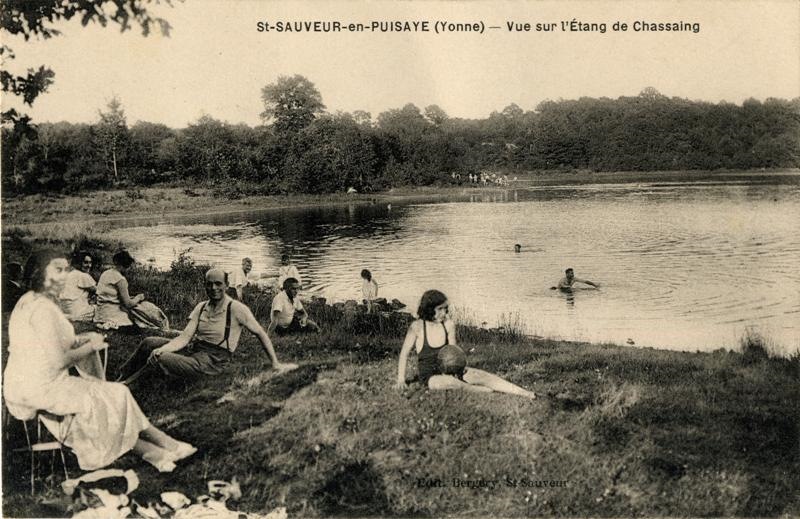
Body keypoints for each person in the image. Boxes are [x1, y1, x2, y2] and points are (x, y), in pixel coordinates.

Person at [3, 250, 194, 473]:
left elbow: (46, 346)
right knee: (113, 396)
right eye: (57, 270)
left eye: (66, 270)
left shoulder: (30, 301)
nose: (64, 276)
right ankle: (164, 445)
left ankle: (156, 452)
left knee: (111, 396)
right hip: (38, 387)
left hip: (27, 382)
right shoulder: (41, 309)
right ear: (38, 273)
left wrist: (81, 339)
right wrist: (90, 346)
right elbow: (57, 361)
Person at [118, 268, 297, 383]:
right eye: (209, 284)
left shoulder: (236, 308)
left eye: (218, 284)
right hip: (193, 349)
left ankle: (130, 385)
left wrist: (275, 363)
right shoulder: (201, 306)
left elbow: (261, 333)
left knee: (161, 357)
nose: (213, 288)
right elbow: (185, 336)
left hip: (214, 361)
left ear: (226, 285)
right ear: (205, 286)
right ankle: (121, 375)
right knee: (150, 343)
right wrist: (166, 346)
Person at [395, 289, 536, 398]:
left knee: (483, 376)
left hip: (451, 371)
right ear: (429, 309)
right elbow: (404, 354)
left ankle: (524, 393)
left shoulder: (448, 325)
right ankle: (480, 390)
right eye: (440, 309)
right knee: (450, 383)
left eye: (445, 308)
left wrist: (457, 370)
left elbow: (454, 353)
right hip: (430, 377)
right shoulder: (417, 327)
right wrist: (401, 380)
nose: (444, 312)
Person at [94, 250, 145, 331]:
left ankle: (104, 323)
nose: (129, 270)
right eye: (129, 267)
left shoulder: (105, 273)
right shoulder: (120, 279)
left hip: (100, 313)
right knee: (135, 328)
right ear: (126, 265)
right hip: (111, 312)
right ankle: (110, 324)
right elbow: (128, 304)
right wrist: (138, 297)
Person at [59, 251, 96, 322]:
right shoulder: (83, 275)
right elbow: (100, 292)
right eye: (85, 262)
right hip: (76, 311)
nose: (89, 265)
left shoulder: (70, 274)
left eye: (90, 262)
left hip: (65, 310)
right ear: (79, 263)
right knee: (100, 309)